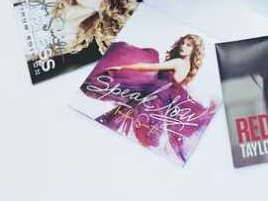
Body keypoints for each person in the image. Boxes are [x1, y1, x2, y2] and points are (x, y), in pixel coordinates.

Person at [81, 34, 218, 163]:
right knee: (130, 124)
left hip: (154, 98)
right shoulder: (188, 67)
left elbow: (148, 67)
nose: (183, 46)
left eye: (188, 45)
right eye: (183, 43)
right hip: (157, 99)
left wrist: (122, 66)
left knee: (126, 121)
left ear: (194, 51)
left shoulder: (178, 62)